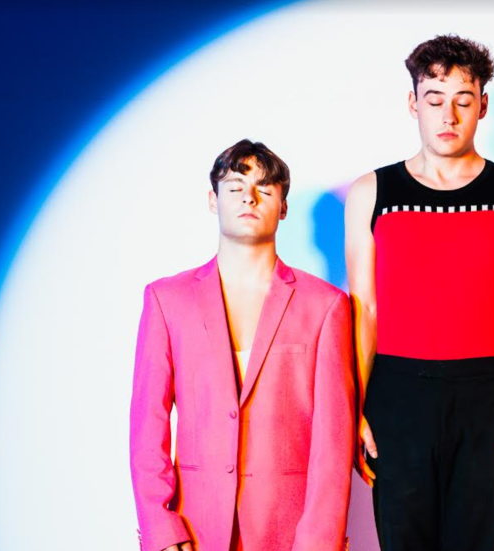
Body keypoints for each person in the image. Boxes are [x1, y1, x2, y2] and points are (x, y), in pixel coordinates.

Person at [344, 34, 494, 551]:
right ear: (413, 103)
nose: (448, 116)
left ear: (483, 105)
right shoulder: (372, 192)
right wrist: (356, 407)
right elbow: (364, 309)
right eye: (434, 100)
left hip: (485, 397)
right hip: (396, 396)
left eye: (462, 100)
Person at [130, 139, 355, 551]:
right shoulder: (167, 300)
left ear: (283, 207)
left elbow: (333, 444)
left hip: (289, 532)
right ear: (213, 200)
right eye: (235, 187)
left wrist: (319, 541)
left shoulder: (325, 306)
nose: (249, 198)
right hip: (194, 531)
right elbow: (148, 425)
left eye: (264, 188)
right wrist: (161, 528)